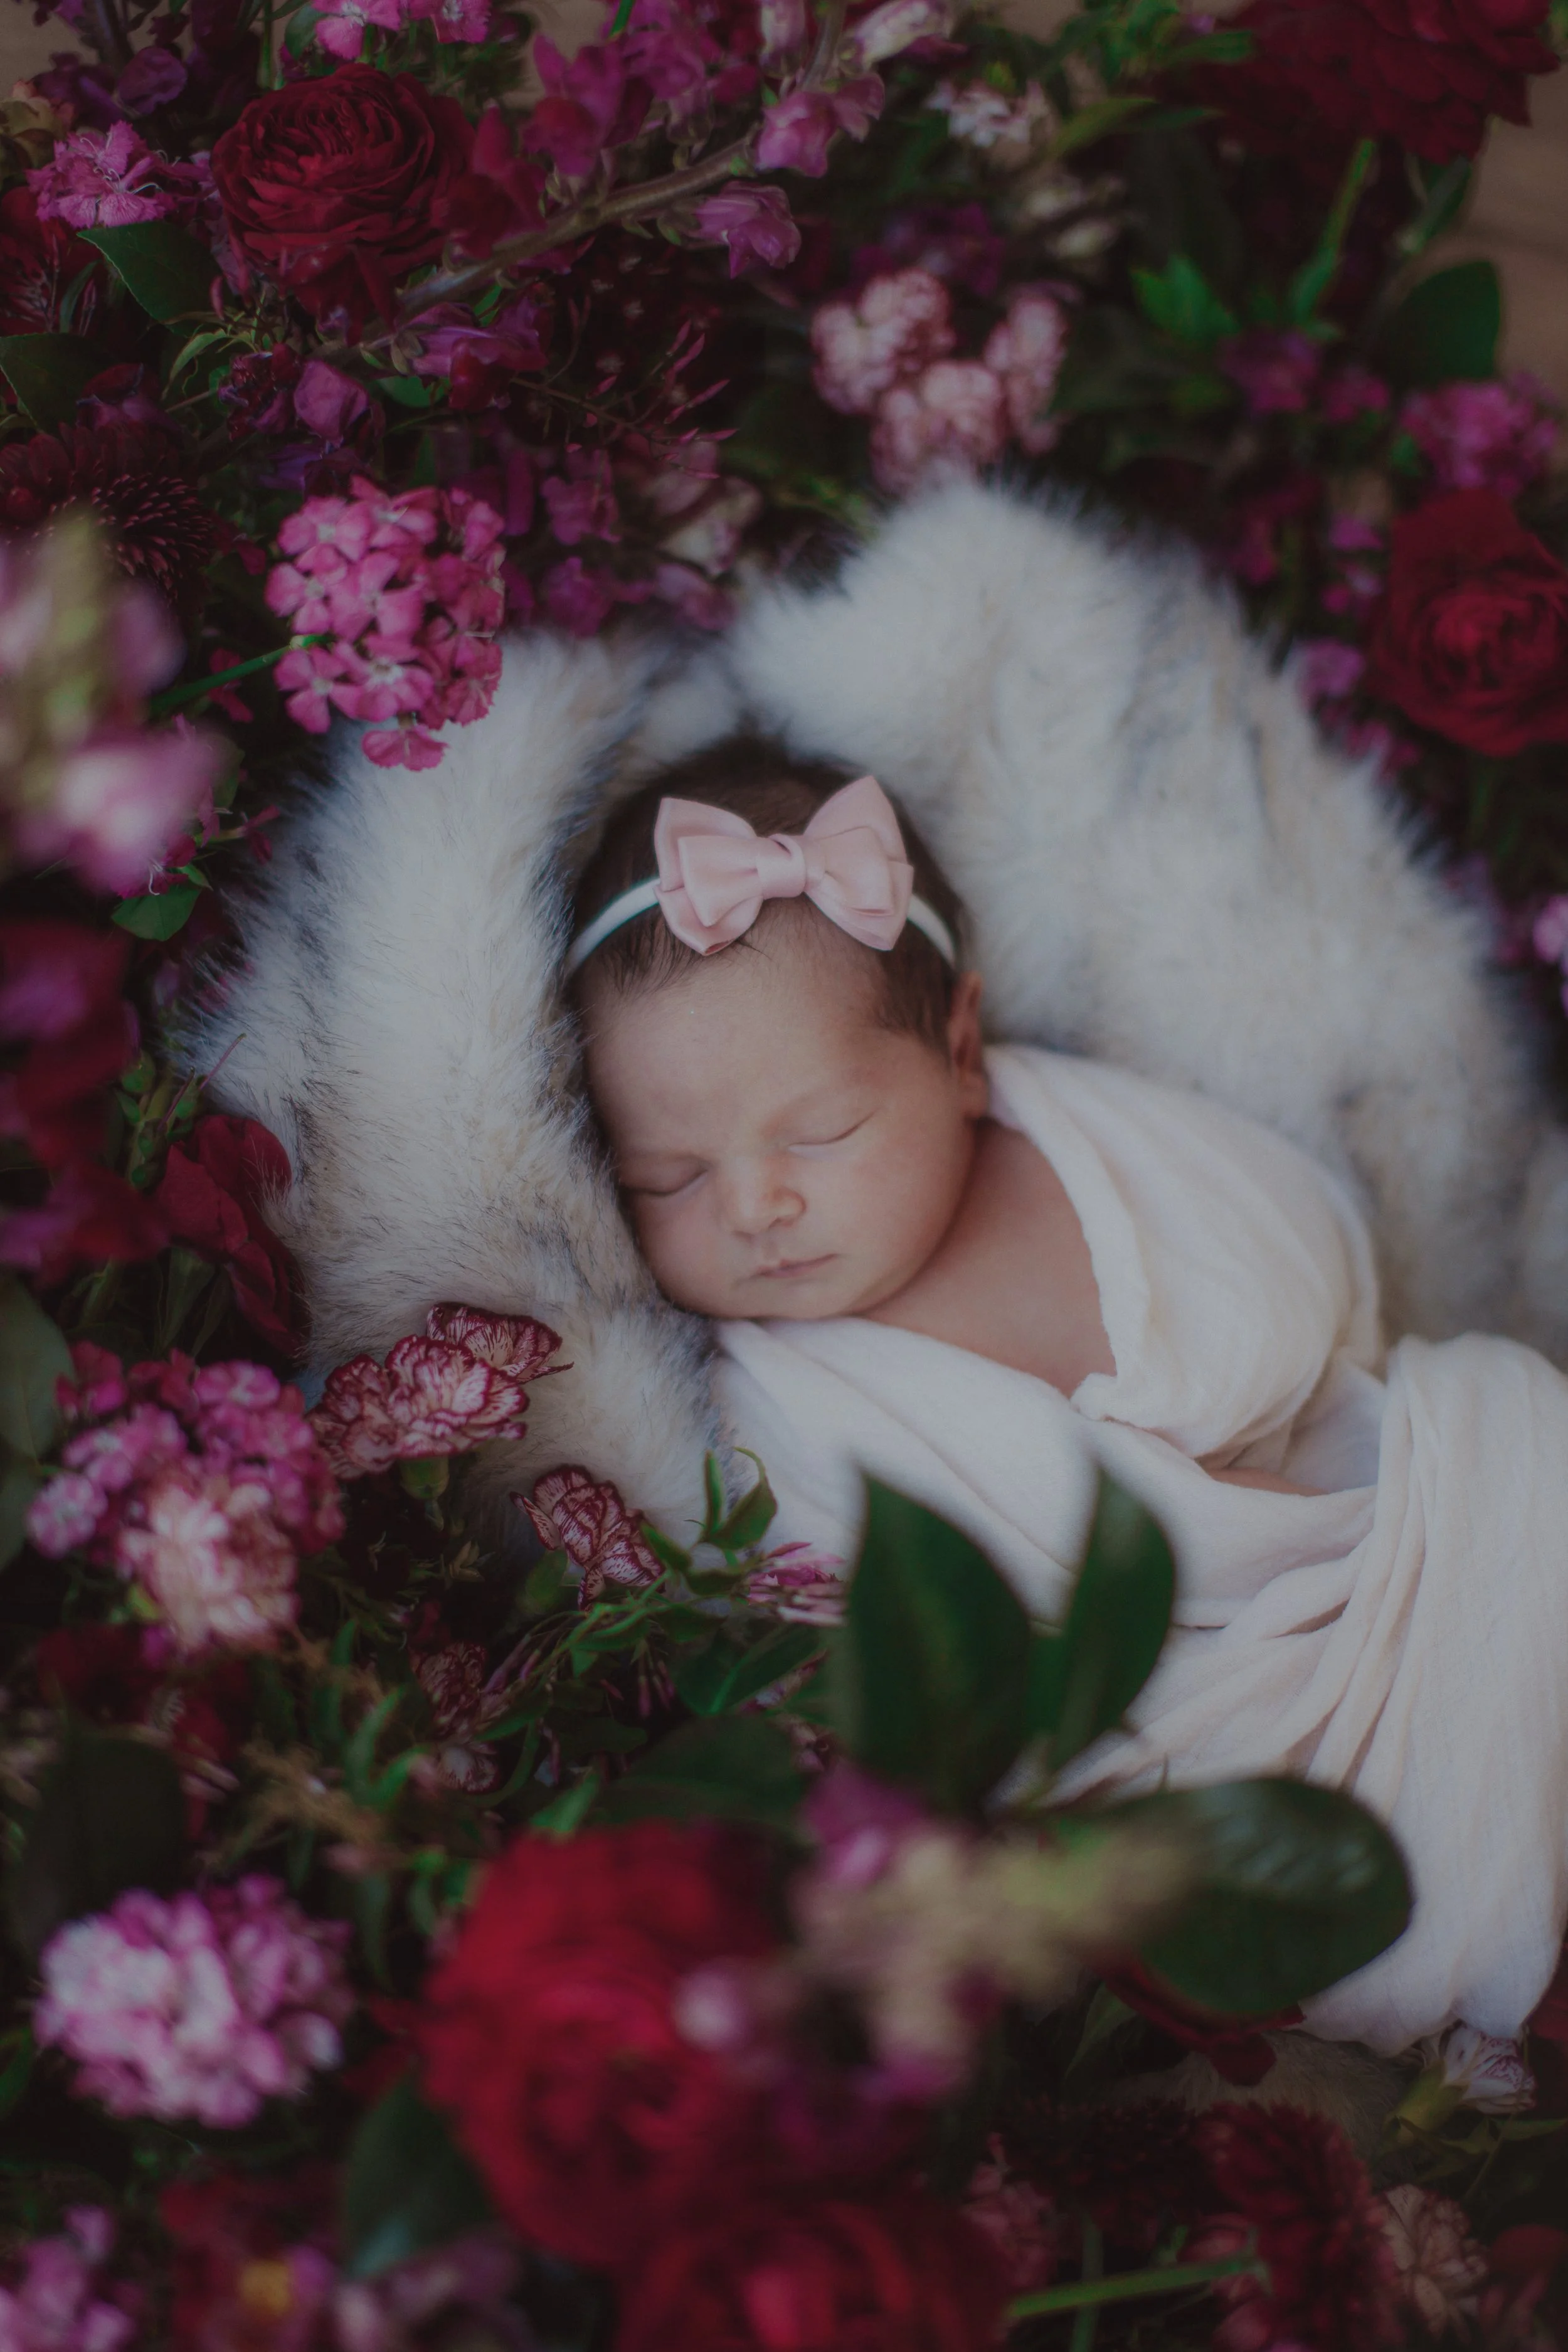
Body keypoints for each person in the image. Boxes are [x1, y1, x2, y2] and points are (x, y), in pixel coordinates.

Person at [568, 736, 1568, 2058]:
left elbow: (1294, 1233)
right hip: (1235, 1720)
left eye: (818, 1133)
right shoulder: (773, 1402)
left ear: (961, 1052)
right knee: (1465, 1892)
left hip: (1424, 1525)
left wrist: (1209, 1402)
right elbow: (882, 1644)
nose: (753, 1204)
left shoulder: (1087, 1133)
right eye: (668, 1178)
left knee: (1514, 1430)